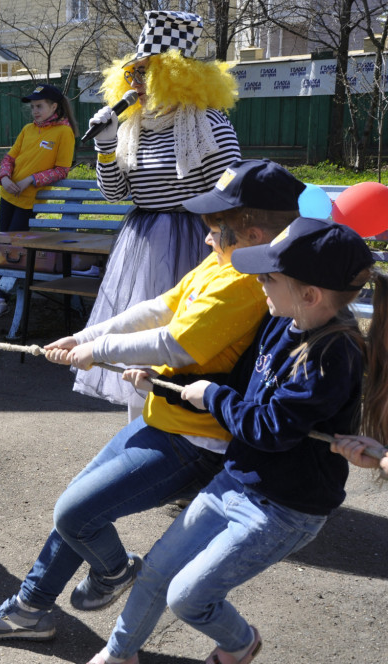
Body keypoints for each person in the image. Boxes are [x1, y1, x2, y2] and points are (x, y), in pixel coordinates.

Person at [0, 159, 303, 641]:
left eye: (215, 228)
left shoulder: (247, 281)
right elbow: (161, 307)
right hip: (165, 418)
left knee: (75, 514)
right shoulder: (227, 260)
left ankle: (114, 571)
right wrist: (85, 337)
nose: (205, 238)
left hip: (196, 441)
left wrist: (97, 350)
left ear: (253, 233)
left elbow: (175, 344)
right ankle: (30, 607)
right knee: (77, 508)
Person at [86, 216, 382, 664]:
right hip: (237, 479)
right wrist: (166, 385)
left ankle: (240, 643)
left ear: (310, 295)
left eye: (268, 277)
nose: (258, 282)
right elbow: (238, 390)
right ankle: (118, 654)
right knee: (157, 571)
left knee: (188, 597)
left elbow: (270, 428)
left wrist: (213, 396)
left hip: (284, 509)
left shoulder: (331, 356)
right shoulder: (279, 321)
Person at [80, 10, 242, 418]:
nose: (135, 83)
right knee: (139, 340)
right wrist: (105, 147)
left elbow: (231, 192)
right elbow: (115, 193)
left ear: (172, 76)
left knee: (184, 337)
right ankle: (140, 425)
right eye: (131, 73)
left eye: (144, 73)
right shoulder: (131, 126)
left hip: (196, 238)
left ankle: (187, 423)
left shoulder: (207, 123)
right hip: (143, 242)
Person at [0, 83, 77, 318]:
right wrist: (4, 178)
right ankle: (2, 296)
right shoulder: (28, 129)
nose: (34, 111)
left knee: (12, 246)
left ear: (54, 107)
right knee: (3, 244)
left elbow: (62, 170)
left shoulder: (64, 133)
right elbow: (9, 158)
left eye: (39, 106)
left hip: (30, 202)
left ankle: (3, 297)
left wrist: (32, 179)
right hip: (8, 196)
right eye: (33, 107)